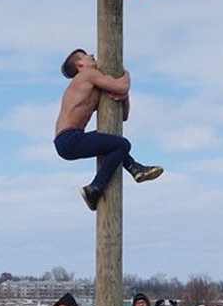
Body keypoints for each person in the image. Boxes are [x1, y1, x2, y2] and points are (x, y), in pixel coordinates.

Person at [54, 49, 163, 210]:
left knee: (113, 142)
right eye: (87, 56)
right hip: (69, 138)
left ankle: (135, 168)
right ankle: (94, 188)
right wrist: (125, 74)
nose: (92, 55)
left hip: (69, 140)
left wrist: (124, 96)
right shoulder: (87, 75)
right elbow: (122, 86)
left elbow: (123, 115)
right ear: (80, 64)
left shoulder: (92, 87)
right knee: (122, 144)